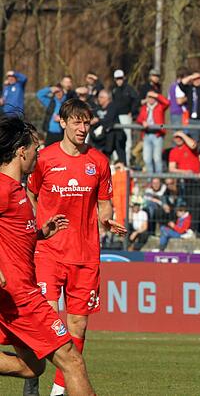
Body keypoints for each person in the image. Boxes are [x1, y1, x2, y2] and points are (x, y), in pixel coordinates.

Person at [25, 99, 126, 396]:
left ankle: (58, 391)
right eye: (77, 122)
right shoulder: (44, 159)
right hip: (48, 253)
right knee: (46, 321)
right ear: (63, 122)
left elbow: (105, 205)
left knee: (78, 326)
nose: (83, 128)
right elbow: (31, 195)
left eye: (87, 123)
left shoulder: (99, 162)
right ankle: (31, 379)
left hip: (85, 254)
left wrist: (107, 221)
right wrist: (37, 231)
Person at [0, 117, 96, 395]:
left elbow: (12, 235)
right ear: (21, 151)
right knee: (72, 361)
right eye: (35, 150)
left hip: (14, 295)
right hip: (21, 296)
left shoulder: (17, 190)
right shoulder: (4, 188)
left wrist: (40, 233)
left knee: (32, 367)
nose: (37, 156)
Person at [136, 90, 170, 173]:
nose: (151, 99)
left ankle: (158, 179)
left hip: (157, 135)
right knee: (147, 159)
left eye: (152, 97)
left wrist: (156, 95)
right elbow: (139, 119)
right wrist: (142, 122)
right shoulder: (144, 107)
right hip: (147, 135)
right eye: (149, 97)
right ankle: (150, 180)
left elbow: (167, 102)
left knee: (157, 158)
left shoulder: (160, 106)